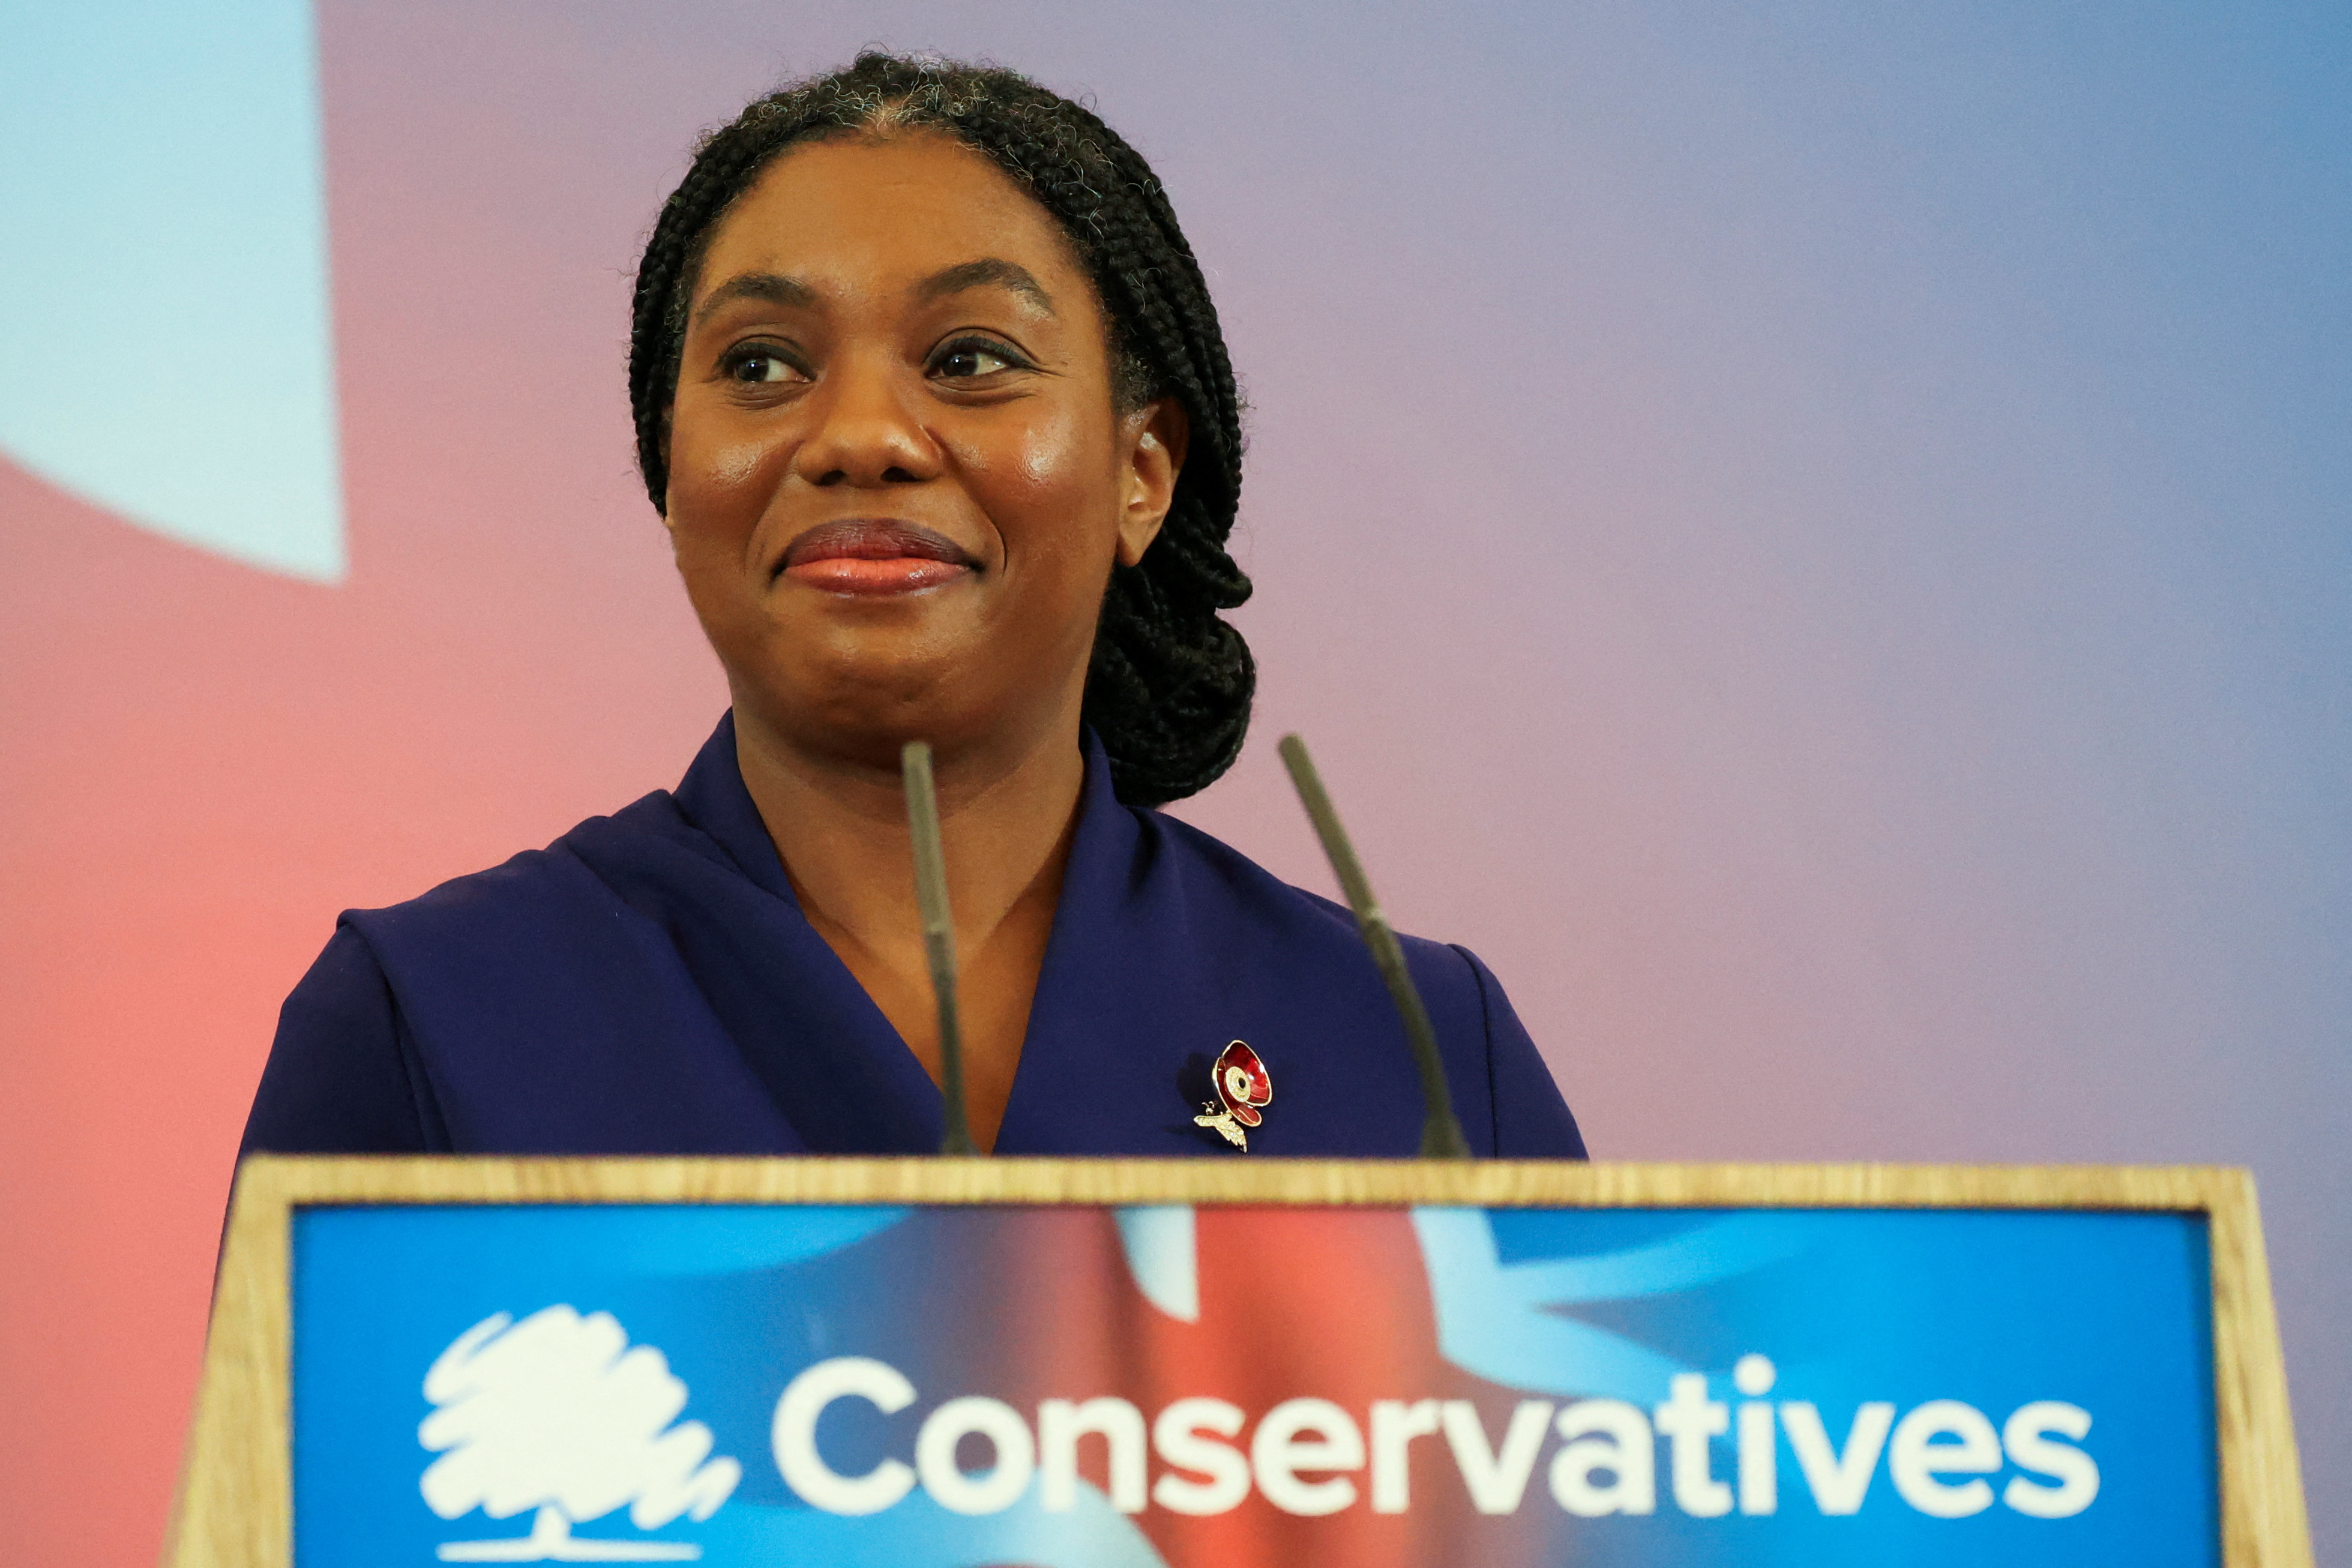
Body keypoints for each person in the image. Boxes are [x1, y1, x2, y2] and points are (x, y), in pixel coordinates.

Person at [239, 53, 1585, 1159]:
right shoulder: (427, 1018)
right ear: (670, 468)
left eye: (969, 359)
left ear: (1141, 472)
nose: (861, 434)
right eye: (761, 363)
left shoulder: (1416, 1044)